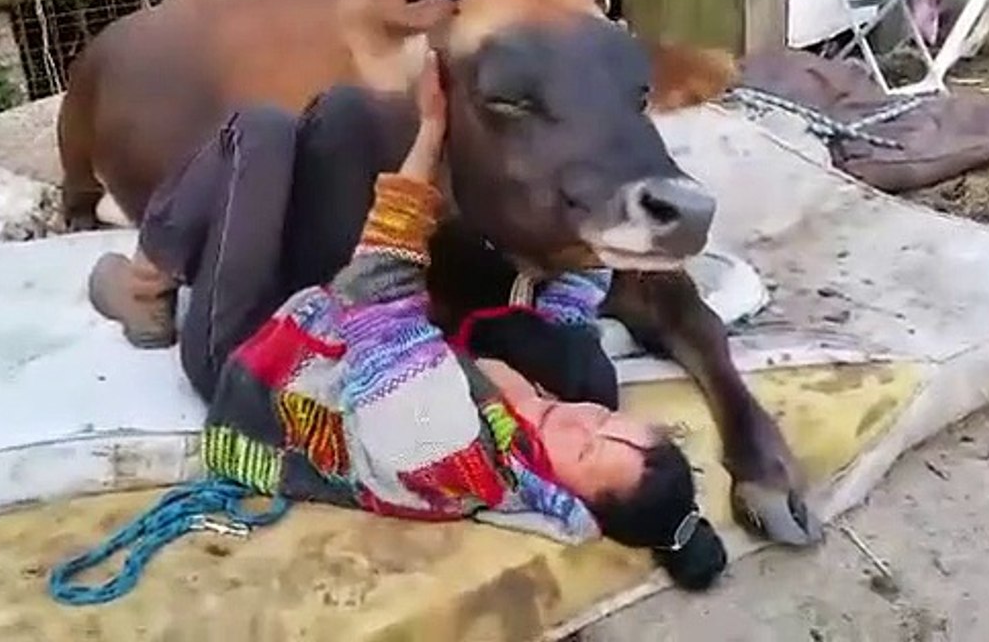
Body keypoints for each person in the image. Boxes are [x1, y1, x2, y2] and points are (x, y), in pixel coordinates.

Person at [183, 50, 728, 590]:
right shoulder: (549, 410)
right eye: (608, 422)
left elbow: (377, 289)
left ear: (564, 498)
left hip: (250, 369)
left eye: (588, 449)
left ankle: (141, 279)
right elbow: (573, 301)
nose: (583, 420)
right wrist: (604, 210)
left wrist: (432, 127)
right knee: (324, 123)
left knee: (260, 131)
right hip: (317, 328)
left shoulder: (445, 448)